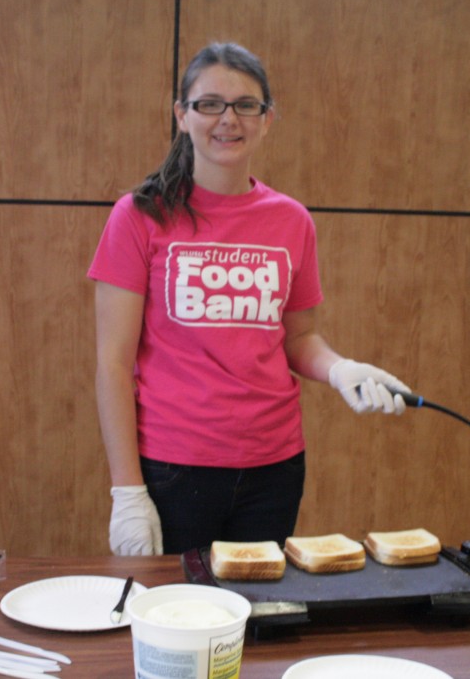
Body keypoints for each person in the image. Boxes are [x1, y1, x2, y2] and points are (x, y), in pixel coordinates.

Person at [87, 42, 411, 556]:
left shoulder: (291, 220)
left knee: (257, 621)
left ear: (267, 119)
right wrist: (127, 490)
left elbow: (299, 337)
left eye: (245, 105)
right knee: (181, 623)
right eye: (209, 103)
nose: (228, 119)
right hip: (175, 468)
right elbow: (112, 363)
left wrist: (340, 368)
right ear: (182, 115)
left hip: (274, 467)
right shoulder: (140, 216)